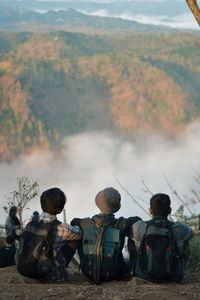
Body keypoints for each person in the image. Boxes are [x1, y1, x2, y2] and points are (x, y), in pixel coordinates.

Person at [71, 187, 141, 283]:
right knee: (128, 254)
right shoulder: (122, 224)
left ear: (97, 204)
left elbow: (73, 221)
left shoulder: (83, 223)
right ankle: (138, 272)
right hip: (115, 273)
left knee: (77, 234)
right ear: (117, 205)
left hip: (88, 272)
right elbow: (137, 220)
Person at [129, 193, 194, 283]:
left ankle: (135, 268)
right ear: (170, 210)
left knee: (131, 239)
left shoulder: (138, 227)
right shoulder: (181, 228)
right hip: (174, 277)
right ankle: (177, 268)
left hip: (143, 276)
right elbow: (192, 233)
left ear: (151, 210)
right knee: (185, 241)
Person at [22, 187, 82, 282]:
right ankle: (60, 268)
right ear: (60, 210)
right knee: (74, 239)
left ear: (42, 204)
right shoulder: (63, 228)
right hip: (52, 276)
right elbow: (79, 233)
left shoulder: (29, 220)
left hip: (27, 270)